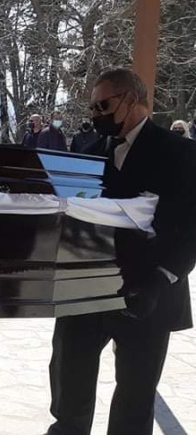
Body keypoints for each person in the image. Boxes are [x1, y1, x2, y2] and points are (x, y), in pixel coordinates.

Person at [47, 68, 196, 435]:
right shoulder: (88, 155)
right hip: (84, 291)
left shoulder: (182, 152)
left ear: (130, 100)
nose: (95, 114)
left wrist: (161, 278)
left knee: (135, 399)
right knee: (68, 386)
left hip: (149, 291)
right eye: (92, 107)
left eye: (102, 105)